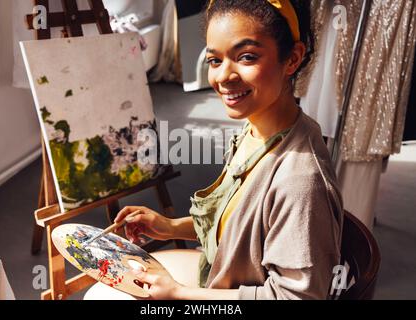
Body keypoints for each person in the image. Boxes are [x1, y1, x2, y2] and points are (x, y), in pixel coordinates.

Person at [115, 0, 343, 300]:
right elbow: (238, 229)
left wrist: (180, 295)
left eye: (246, 57)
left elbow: (297, 298)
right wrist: (170, 227)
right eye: (214, 60)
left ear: (292, 58)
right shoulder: (258, 132)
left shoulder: (299, 179)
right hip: (223, 275)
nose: (223, 77)